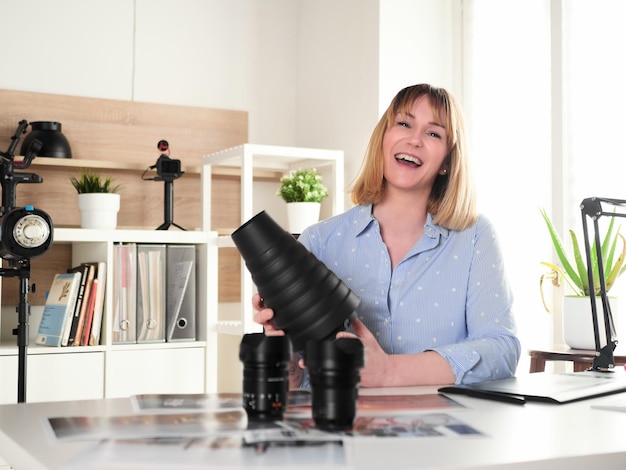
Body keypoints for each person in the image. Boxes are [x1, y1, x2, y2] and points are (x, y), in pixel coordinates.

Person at [253, 83, 520, 388]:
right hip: (339, 427)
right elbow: (298, 384)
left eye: (433, 133)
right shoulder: (318, 243)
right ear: (384, 138)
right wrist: (281, 346)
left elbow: (502, 351)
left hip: (441, 430)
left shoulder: (474, 238)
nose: (414, 140)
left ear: (447, 161)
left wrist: (390, 371)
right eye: (404, 124)